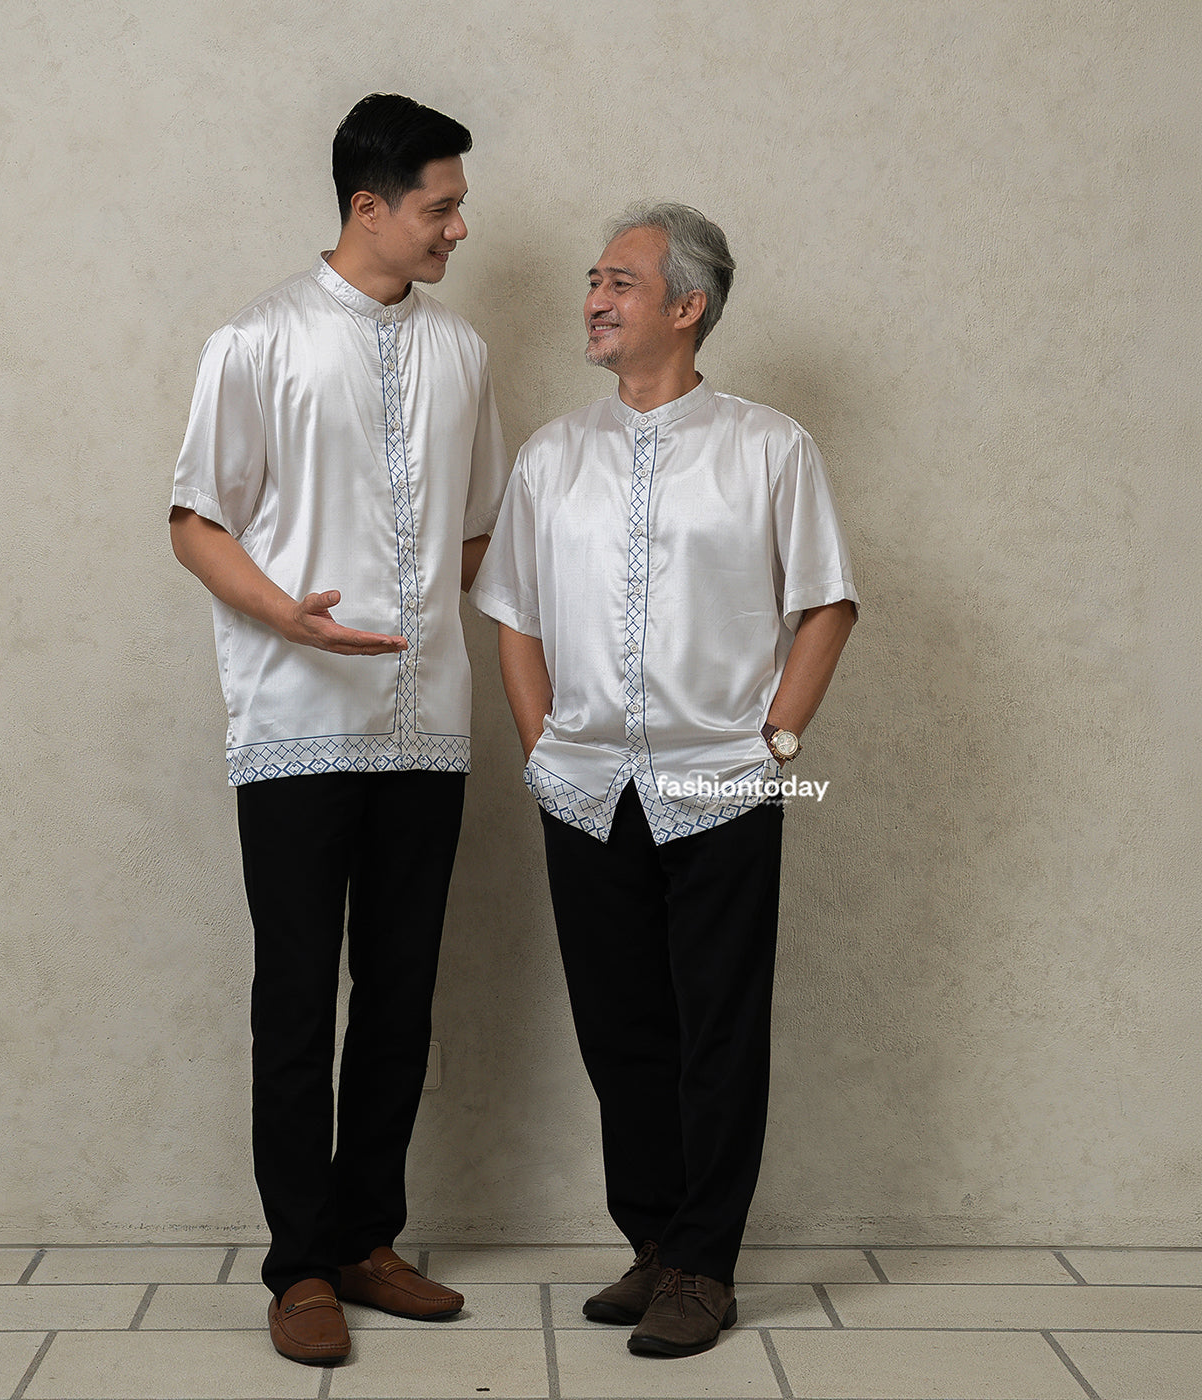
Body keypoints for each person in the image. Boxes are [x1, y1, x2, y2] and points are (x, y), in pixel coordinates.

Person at [471, 202, 858, 1358]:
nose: (593, 299)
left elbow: (824, 602)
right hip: (584, 788)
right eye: (592, 280)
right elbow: (512, 613)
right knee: (618, 1025)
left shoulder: (767, 447)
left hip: (722, 784)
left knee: (716, 1029)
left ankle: (705, 1263)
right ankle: (652, 1239)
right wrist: (541, 748)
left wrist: (772, 744)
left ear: (687, 306)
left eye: (619, 282)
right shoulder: (551, 455)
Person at [168, 93, 508, 1366]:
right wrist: (291, 621)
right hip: (295, 717)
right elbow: (194, 518)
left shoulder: (462, 351)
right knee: (298, 990)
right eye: (440, 206)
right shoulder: (256, 340)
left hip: (426, 720)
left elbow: (479, 525)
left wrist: (419, 611)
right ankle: (298, 1264)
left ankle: (368, 1235)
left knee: (402, 990)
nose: (457, 228)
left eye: (458, 205)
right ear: (368, 206)